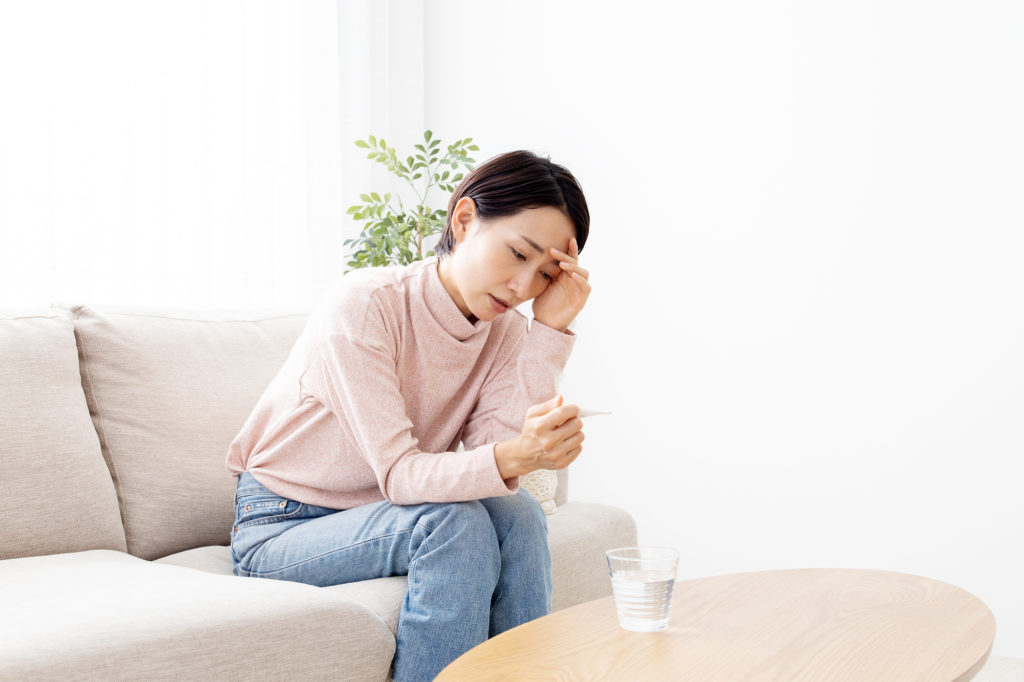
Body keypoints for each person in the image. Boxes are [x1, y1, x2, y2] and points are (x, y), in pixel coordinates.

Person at [225, 149, 591, 681]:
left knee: (520, 517)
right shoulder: (365, 305)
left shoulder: (506, 330)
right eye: (517, 254)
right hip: (284, 523)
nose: (523, 288)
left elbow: (496, 454)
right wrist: (517, 453)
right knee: (453, 523)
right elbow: (400, 474)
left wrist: (548, 333)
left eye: (544, 274)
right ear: (464, 220)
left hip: (389, 513)